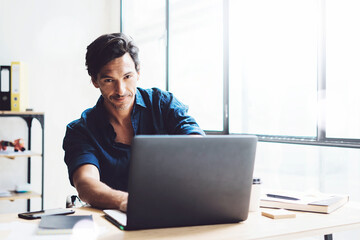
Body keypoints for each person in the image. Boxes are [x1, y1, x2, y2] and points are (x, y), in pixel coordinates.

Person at [62, 33, 204, 212]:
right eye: (108, 80)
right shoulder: (81, 130)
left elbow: (197, 142)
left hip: (174, 210)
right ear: (95, 81)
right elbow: (86, 183)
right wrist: (127, 202)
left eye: (127, 77)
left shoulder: (163, 104)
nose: (120, 90)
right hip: (114, 219)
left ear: (138, 73)